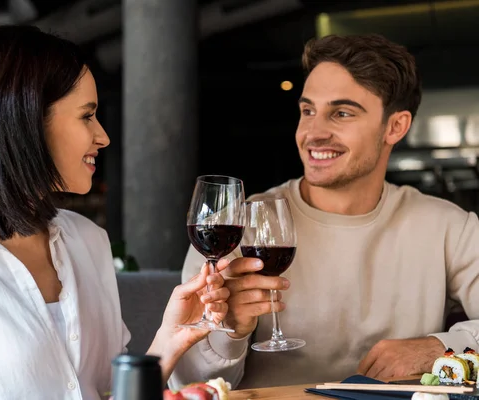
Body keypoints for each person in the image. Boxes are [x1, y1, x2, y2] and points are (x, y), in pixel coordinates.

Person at [0, 25, 231, 399]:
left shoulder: (89, 241)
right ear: (24, 122)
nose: (103, 136)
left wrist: (169, 341)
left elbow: (110, 393)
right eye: (86, 116)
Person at [170, 33, 479, 389]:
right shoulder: (235, 227)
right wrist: (232, 334)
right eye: (307, 111)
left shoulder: (446, 226)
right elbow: (186, 386)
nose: (313, 132)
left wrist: (438, 348)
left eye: (341, 113)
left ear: (395, 126)